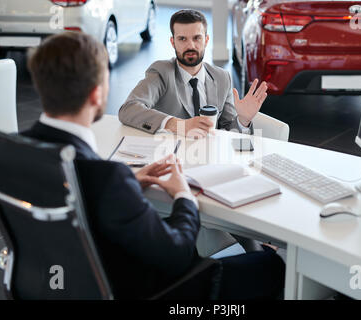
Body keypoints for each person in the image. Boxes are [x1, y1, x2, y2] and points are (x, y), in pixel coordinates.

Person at [23, 31, 284, 299]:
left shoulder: (13, 149)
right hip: (152, 289)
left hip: (60, 280)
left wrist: (129, 183)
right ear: (96, 94)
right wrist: (183, 194)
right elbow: (177, 252)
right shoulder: (108, 177)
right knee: (273, 265)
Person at [118, 9, 268, 139]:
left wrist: (243, 120)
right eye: (182, 39)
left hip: (211, 161)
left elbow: (229, 131)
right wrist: (179, 125)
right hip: (170, 158)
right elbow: (128, 109)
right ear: (173, 42)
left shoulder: (223, 78)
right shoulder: (161, 72)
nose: (190, 46)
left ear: (206, 40)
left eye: (197, 38)